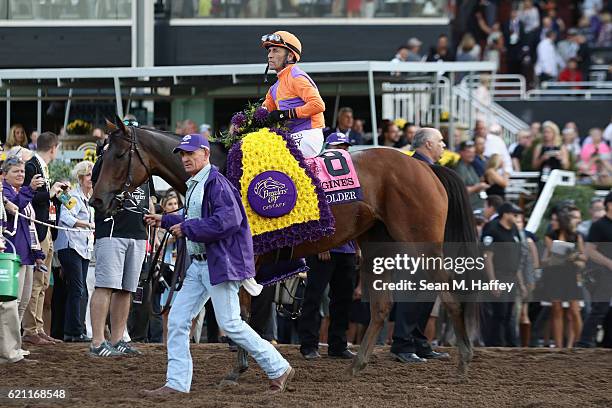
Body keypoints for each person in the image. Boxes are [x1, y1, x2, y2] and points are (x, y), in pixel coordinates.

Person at [142, 134, 293, 395]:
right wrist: (165, 220)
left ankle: (278, 366)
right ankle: (176, 383)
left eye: (190, 153)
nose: (185, 158)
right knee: (178, 320)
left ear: (206, 153)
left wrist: (187, 227)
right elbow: (198, 216)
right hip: (203, 265)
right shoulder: (199, 183)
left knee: (231, 324)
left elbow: (228, 221)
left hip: (218, 265)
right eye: (183, 154)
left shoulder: (216, 183)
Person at [391, 127, 449, 363]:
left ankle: (418, 341)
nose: (443, 145)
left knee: (426, 291)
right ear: (427, 144)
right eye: (440, 141)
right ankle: (402, 343)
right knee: (412, 290)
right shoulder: (412, 169)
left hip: (426, 242)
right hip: (412, 241)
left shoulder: (427, 170)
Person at [299, 133, 358, 360]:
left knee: (342, 299)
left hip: (348, 248)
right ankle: (308, 344)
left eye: (344, 147)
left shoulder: (352, 176)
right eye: (337, 146)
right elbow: (311, 210)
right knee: (314, 297)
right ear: (326, 148)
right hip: (325, 248)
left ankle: (337, 344)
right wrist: (319, 244)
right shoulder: (315, 172)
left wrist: (358, 245)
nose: (342, 150)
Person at [89, 151, 150, 356]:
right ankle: (97, 342)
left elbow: (147, 198)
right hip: (112, 230)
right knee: (105, 286)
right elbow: (97, 189)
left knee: (127, 289)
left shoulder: (145, 163)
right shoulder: (106, 160)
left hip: (138, 231)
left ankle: (117, 339)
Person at [22, 132, 65, 346]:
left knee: (44, 282)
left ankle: (38, 327)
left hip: (46, 228)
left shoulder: (41, 167)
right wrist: (51, 193)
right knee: (37, 282)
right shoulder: (32, 166)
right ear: (53, 148)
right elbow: (29, 195)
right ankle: (30, 329)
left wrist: (55, 194)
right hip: (37, 228)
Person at [262, 31, 325, 159]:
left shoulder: (296, 76)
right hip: (293, 135)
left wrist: (285, 114)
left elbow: (318, 105)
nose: (270, 55)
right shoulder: (274, 88)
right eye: (269, 51)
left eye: (275, 51)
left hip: (309, 135)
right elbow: (263, 112)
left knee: (269, 154)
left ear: (290, 56)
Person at [2, 157, 46, 324]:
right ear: (5, 174)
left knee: (24, 301)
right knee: (14, 300)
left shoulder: (19, 190)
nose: (21, 174)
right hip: (13, 252)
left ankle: (16, 343)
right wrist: (30, 189)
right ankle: (8, 344)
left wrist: (37, 253)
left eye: (22, 171)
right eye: (16, 171)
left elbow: (30, 227)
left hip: (26, 253)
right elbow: (15, 207)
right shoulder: (5, 191)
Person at [55, 161, 95, 342]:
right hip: (70, 246)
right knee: (77, 289)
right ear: (80, 178)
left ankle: (76, 329)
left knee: (81, 289)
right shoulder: (72, 196)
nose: (91, 178)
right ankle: (73, 331)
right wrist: (86, 224)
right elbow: (65, 217)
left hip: (84, 248)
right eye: (88, 175)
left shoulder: (91, 198)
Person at [541, 208, 585, 348]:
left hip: (570, 276)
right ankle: (559, 346)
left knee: (574, 310)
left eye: (555, 220)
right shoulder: (549, 235)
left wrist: (576, 257)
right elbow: (551, 256)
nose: (552, 222)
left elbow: (583, 257)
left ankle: (581, 342)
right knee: (557, 309)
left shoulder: (576, 236)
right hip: (555, 276)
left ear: (562, 222)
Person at [481, 202, 523, 347]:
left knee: (509, 314)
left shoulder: (514, 230)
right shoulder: (492, 228)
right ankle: (494, 343)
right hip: (498, 275)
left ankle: (508, 343)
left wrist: (520, 282)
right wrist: (492, 281)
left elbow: (516, 257)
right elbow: (488, 257)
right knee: (499, 312)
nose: (516, 217)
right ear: (505, 214)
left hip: (511, 276)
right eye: (513, 214)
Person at [578, 192, 612, 347]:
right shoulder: (599, 225)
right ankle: (584, 343)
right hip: (603, 272)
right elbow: (590, 250)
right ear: (609, 205)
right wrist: (608, 263)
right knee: (600, 308)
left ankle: (607, 342)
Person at [532, 121, 570, 191]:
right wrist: (542, 158)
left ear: (554, 133)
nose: (546, 134)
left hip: (557, 177)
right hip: (544, 176)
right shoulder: (539, 147)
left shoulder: (561, 147)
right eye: (545, 132)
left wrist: (561, 158)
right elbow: (534, 166)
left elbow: (566, 166)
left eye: (548, 132)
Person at [455, 140, 489, 210]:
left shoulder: (470, 165)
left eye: (473, 152)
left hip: (477, 206)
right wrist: (478, 187)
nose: (472, 155)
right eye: (468, 152)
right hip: (470, 208)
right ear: (461, 152)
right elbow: (460, 190)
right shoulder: (460, 168)